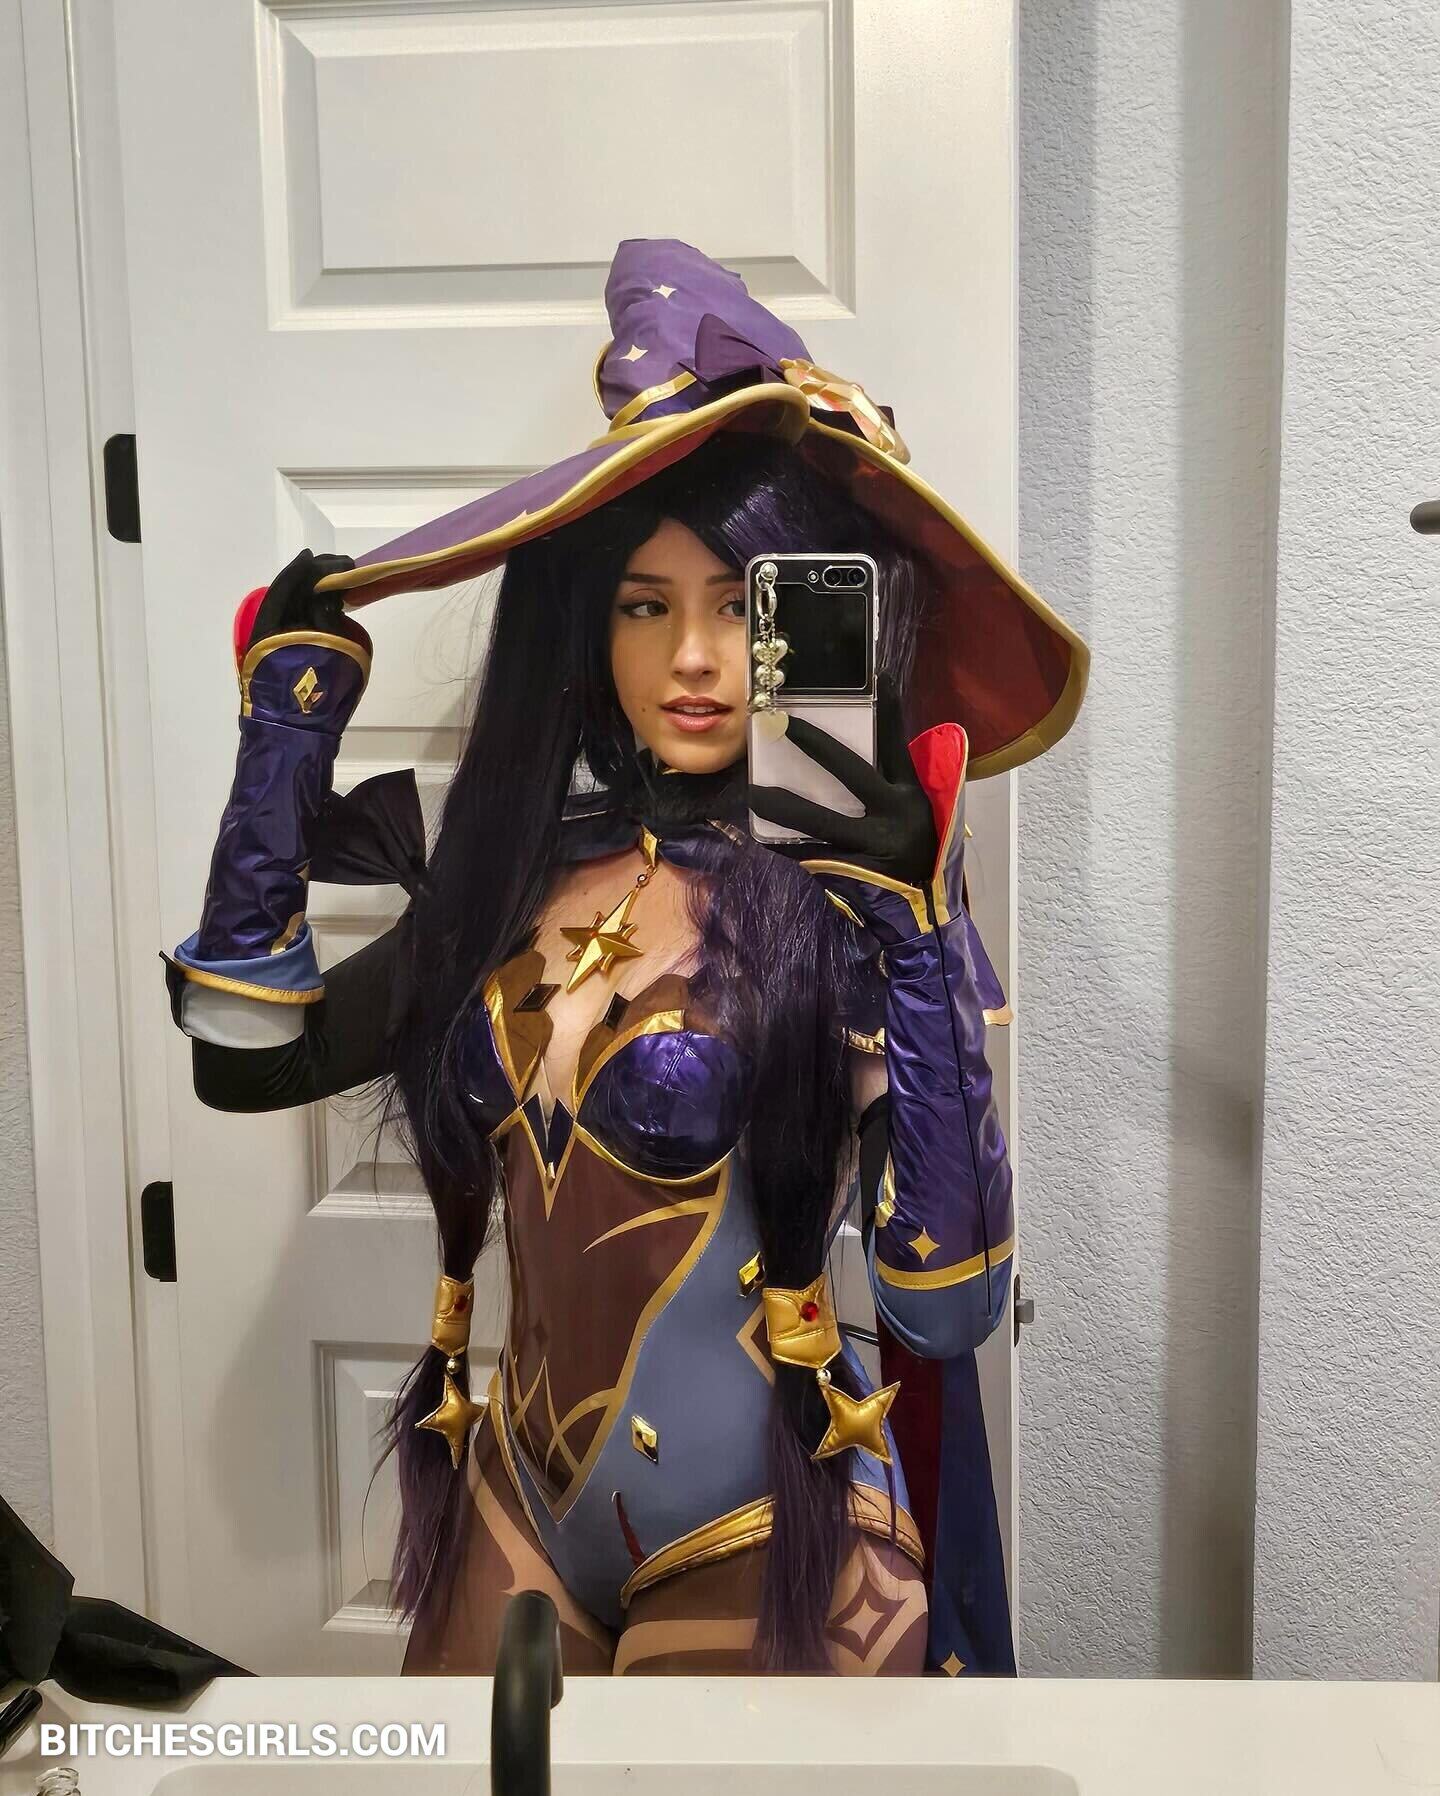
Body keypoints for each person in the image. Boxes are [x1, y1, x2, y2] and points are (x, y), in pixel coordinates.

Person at [162, 239, 1088, 1677]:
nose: (695, 656)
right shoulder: (509, 870)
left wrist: (918, 935)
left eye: (738, 600)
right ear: (588, 627)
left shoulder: (848, 905)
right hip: (517, 1500)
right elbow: (249, 1061)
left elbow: (948, 1306)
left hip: (764, 1527)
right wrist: (285, 727)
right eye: (646, 604)